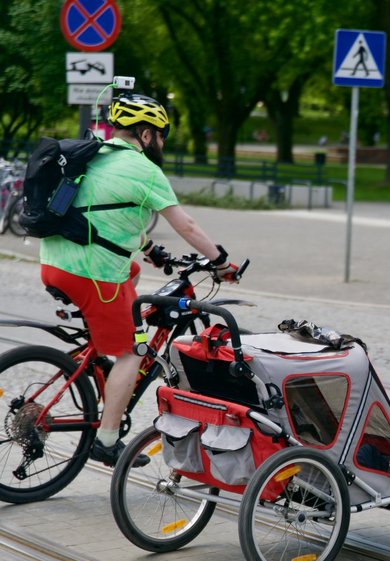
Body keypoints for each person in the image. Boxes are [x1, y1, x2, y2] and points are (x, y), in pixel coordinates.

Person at [39, 93, 242, 467]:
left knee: (131, 272)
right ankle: (107, 441)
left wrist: (150, 250)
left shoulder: (95, 155)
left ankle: (101, 358)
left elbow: (102, 214)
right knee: (132, 352)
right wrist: (221, 263)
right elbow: (187, 225)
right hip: (93, 275)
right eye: (161, 136)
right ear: (146, 135)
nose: (162, 144)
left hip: (54, 262)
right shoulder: (145, 170)